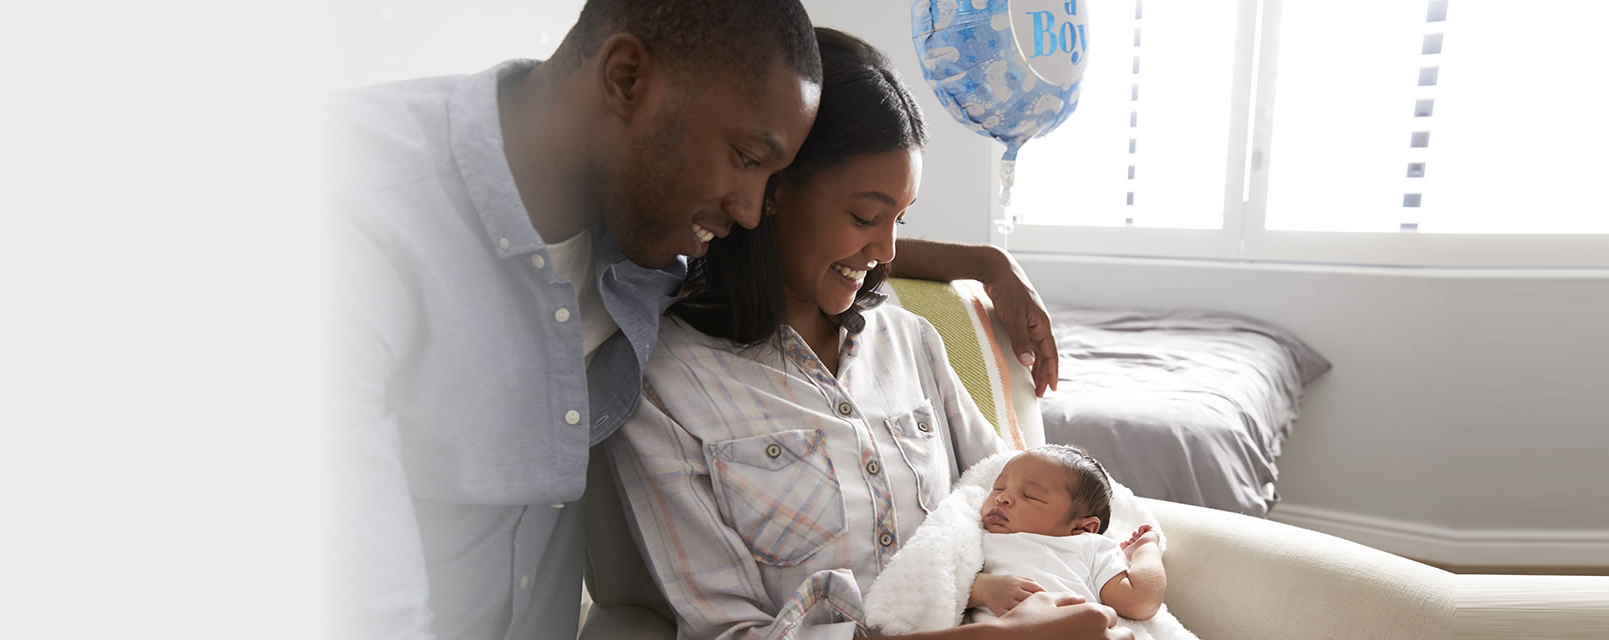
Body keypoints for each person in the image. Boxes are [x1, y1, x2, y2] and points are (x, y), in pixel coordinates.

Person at [329, 2, 1063, 638]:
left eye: (769, 179)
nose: (749, 210)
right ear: (625, 78)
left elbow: (810, 238)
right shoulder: (350, 222)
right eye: (746, 159)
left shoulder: (649, 225)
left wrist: (985, 262)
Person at [606, 27, 1126, 640]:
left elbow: (1004, 489)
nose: (885, 251)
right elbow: (730, 631)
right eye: (865, 216)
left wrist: (1128, 561)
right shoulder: (668, 384)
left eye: (900, 219)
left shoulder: (909, 340)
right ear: (771, 190)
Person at [970, 445, 1168, 622]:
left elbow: (1140, 602)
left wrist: (1146, 548)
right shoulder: (974, 537)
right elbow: (946, 585)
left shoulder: (1088, 546)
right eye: (998, 488)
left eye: (1030, 496)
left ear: (1081, 528)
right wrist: (984, 589)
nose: (1002, 498)